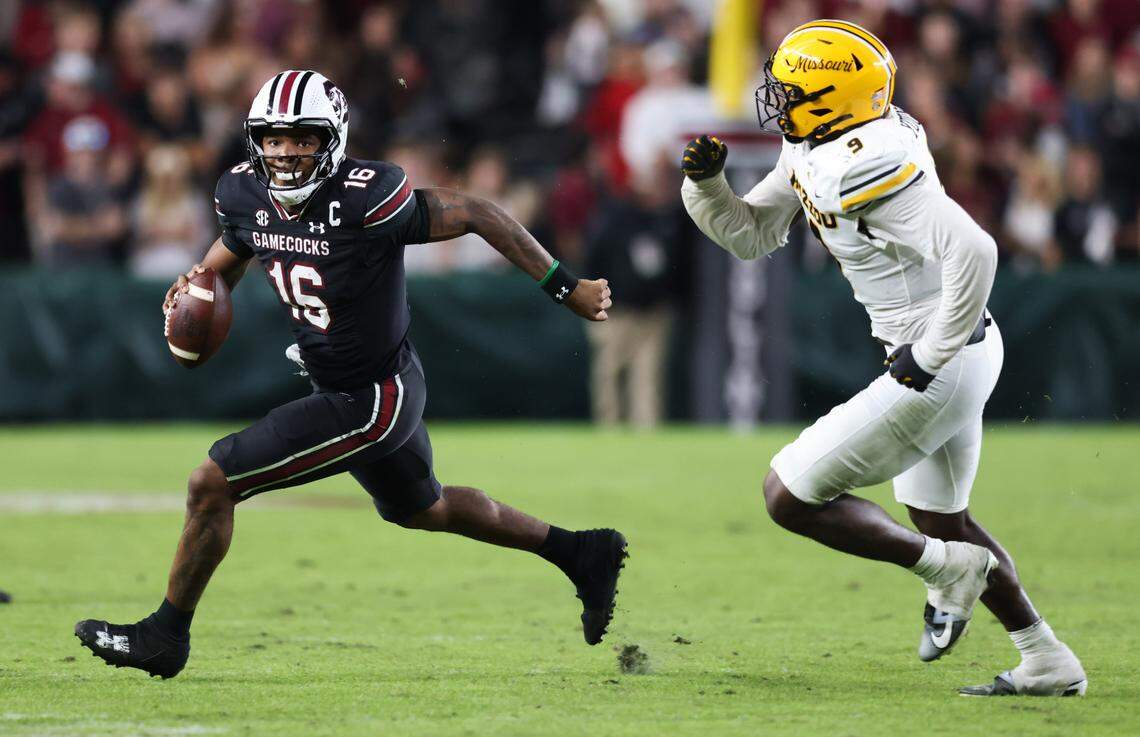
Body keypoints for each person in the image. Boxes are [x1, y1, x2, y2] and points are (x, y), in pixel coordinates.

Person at [75, 70, 626, 679]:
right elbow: (231, 252)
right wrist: (197, 290)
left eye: (303, 138)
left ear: (331, 138)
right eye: (273, 139)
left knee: (213, 482)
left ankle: (164, 636)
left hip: (373, 397)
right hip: (349, 384)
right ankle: (581, 552)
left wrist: (563, 286)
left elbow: (476, 212)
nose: (285, 153)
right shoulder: (243, 193)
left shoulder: (367, 194)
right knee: (425, 509)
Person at [680, 20, 1086, 697]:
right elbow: (752, 235)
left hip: (941, 355)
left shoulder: (860, 161)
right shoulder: (822, 141)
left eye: (790, 87)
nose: (775, 97)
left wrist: (928, 354)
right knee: (943, 519)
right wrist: (708, 188)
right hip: (959, 348)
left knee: (788, 493)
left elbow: (976, 251)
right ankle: (1045, 656)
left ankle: (946, 569)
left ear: (831, 97)